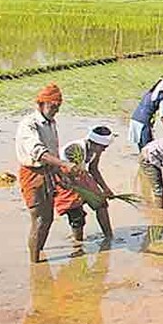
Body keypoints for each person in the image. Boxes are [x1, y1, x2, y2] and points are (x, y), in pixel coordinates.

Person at [16, 83, 77, 263]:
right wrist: (64, 164)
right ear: (41, 104)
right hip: (32, 174)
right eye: (52, 106)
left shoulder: (51, 123)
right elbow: (39, 152)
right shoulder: (30, 124)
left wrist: (60, 173)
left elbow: (52, 151)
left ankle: (38, 256)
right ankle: (34, 265)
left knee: (48, 218)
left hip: (48, 172)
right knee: (40, 219)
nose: (55, 110)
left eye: (58, 107)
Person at [56, 126, 117, 242]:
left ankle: (109, 237)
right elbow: (72, 174)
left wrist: (105, 189)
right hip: (64, 178)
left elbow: (93, 169)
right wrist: (88, 194)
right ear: (93, 143)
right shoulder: (75, 150)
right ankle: (78, 243)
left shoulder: (95, 150)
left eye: (105, 147)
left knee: (101, 204)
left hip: (80, 175)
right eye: (103, 147)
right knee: (76, 214)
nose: (104, 150)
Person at [128, 78, 163, 150]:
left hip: (135, 119)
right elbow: (162, 116)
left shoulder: (148, 93)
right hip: (143, 122)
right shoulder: (161, 98)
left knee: (141, 145)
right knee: (148, 147)